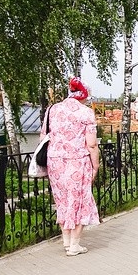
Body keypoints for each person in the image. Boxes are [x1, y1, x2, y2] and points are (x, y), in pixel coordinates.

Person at [44, 77, 100, 256]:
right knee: (80, 200)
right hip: (77, 161)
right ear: (83, 95)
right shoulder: (85, 113)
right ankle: (75, 245)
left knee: (62, 199)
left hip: (55, 161)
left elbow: (43, 136)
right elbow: (91, 144)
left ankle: (66, 241)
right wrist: (96, 165)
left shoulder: (52, 110)